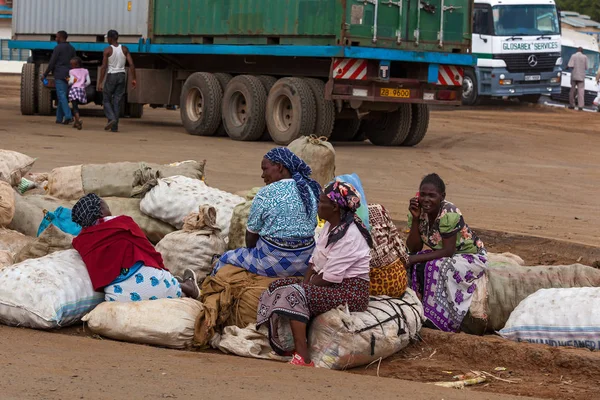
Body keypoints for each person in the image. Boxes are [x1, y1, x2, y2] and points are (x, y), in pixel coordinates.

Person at [256, 180, 373, 367]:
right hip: (329, 283)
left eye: (320, 202)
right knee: (277, 286)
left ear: (334, 206)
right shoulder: (331, 226)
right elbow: (314, 261)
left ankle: (303, 357)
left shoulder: (351, 235)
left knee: (295, 294)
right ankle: (282, 346)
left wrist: (301, 289)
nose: (317, 206)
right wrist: (304, 283)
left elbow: (329, 278)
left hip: (350, 291)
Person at [212, 148, 321, 278]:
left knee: (226, 257)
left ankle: (205, 290)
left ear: (280, 167)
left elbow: (251, 238)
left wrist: (254, 251)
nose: (262, 175)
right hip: (304, 264)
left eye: (265, 169)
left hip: (272, 264)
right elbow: (312, 225)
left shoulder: (265, 193)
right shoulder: (308, 191)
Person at [71, 193, 200, 302]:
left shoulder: (81, 242)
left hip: (119, 299)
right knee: (162, 280)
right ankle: (187, 287)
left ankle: (176, 287)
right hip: (160, 287)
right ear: (100, 211)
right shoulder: (122, 223)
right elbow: (148, 250)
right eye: (107, 207)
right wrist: (164, 271)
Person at [406, 173, 487, 333]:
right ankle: (418, 309)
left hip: (470, 256)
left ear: (442, 197)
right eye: (423, 194)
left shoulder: (449, 213)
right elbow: (414, 247)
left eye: (432, 195)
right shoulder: (417, 212)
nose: (426, 199)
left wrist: (414, 258)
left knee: (437, 266)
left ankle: (440, 318)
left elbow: (448, 251)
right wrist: (415, 219)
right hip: (445, 253)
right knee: (414, 263)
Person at [98, 30, 137, 133]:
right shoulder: (124, 49)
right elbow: (132, 64)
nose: (107, 40)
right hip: (122, 76)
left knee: (106, 99)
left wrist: (100, 82)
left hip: (112, 76)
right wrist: (134, 78)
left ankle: (111, 118)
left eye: (107, 38)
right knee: (117, 101)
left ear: (110, 38)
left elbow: (104, 67)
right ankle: (114, 127)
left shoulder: (107, 50)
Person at [41, 30, 76, 125]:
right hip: (69, 76)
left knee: (61, 95)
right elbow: (75, 62)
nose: (56, 39)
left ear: (61, 38)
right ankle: (59, 118)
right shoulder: (72, 48)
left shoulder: (58, 48)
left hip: (60, 75)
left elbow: (52, 62)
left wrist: (45, 74)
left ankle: (68, 116)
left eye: (56, 37)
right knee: (63, 96)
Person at [68, 57, 91, 130]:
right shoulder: (85, 71)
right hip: (81, 90)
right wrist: (83, 86)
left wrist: (69, 83)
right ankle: (77, 123)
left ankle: (78, 119)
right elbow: (88, 82)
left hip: (74, 89)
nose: (71, 66)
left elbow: (71, 81)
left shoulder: (71, 71)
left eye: (72, 64)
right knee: (77, 105)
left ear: (76, 64)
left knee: (75, 106)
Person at [568, 47, 588, 111]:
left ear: (577, 50)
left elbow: (570, 65)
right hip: (581, 76)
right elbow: (586, 67)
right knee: (581, 91)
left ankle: (572, 105)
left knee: (572, 90)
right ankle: (580, 106)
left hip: (574, 75)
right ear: (582, 51)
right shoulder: (585, 57)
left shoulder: (573, 56)